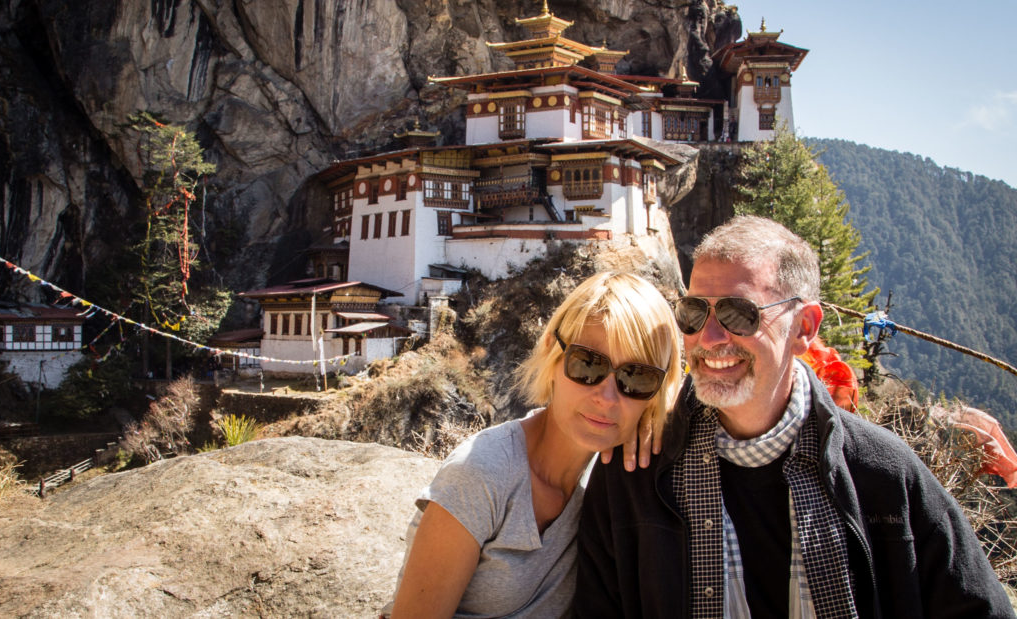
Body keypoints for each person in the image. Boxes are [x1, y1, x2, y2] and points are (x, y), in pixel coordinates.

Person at [576, 216, 1014, 618]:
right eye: (693, 312)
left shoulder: (882, 474)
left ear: (804, 327)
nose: (707, 338)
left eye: (738, 314)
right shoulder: (635, 471)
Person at [390, 272, 682, 618]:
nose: (607, 397)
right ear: (551, 351)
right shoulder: (482, 473)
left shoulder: (614, 479)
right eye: (587, 364)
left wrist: (655, 419)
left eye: (636, 377)